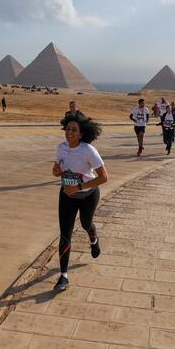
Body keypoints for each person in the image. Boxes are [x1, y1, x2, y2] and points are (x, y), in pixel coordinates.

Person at [52, 113, 108, 291]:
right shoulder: (61, 148)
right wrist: (55, 171)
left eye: (74, 130)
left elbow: (104, 177)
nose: (69, 132)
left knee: (86, 224)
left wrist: (78, 186)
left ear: (82, 133)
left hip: (88, 195)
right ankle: (63, 276)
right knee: (65, 234)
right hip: (67, 195)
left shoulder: (88, 150)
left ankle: (93, 238)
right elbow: (57, 171)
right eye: (68, 129)